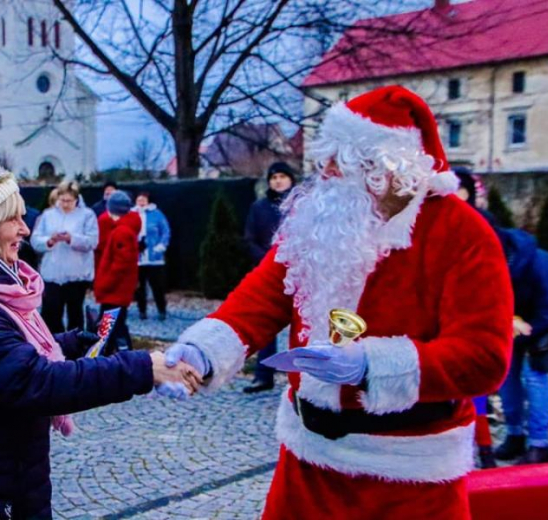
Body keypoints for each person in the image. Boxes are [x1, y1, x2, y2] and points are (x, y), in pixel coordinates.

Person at [158, 86, 513, 518]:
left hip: (409, 480)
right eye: (327, 156)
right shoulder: (319, 221)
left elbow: (484, 357)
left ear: (391, 168)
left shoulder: (462, 234)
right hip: (306, 464)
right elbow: (262, 297)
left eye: (343, 159)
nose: (325, 170)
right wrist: (203, 351)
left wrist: (369, 365)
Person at [0, 159, 200, 520]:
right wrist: (144, 367)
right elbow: (35, 382)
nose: (24, 228)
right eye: (12, 218)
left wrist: (69, 345)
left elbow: (6, 357)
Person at [493, 226, 548, 465]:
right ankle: (514, 435)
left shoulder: (539, 265)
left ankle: (539, 445)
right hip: (518, 320)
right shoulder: (491, 263)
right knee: (506, 373)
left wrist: (520, 334)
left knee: (534, 374)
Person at [454, 167, 496, 469]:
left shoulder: (478, 224)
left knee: (473, 390)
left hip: (473, 311)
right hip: (451, 311)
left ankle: (485, 451)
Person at [242, 161, 296, 394]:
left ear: (291, 179)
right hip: (269, 273)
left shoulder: (302, 205)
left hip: (300, 271)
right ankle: (263, 375)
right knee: (266, 325)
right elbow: (249, 238)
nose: (278, 181)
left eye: (282, 176)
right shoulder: (259, 207)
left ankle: (303, 377)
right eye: (274, 177)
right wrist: (268, 262)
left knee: (304, 326)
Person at [31, 181, 98, 333]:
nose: (65, 204)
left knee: (75, 314)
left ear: (76, 199)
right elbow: (35, 240)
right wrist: (49, 241)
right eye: (62, 200)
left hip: (77, 274)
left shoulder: (87, 215)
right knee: (50, 314)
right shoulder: (48, 215)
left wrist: (71, 239)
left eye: (69, 201)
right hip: (52, 273)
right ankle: (53, 342)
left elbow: (92, 241)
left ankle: (76, 343)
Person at [94, 190, 140, 354]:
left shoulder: (121, 232)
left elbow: (121, 264)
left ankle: (122, 355)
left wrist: (104, 284)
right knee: (113, 325)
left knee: (112, 325)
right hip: (118, 290)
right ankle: (111, 353)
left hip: (114, 291)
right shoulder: (125, 229)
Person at [134, 192, 171, 321]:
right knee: (139, 287)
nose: (141, 202)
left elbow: (165, 231)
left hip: (154, 257)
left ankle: (161, 310)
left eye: (143, 200)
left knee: (157, 286)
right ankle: (142, 310)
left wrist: (161, 246)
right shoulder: (131, 214)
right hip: (137, 258)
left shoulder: (157, 214)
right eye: (139, 200)